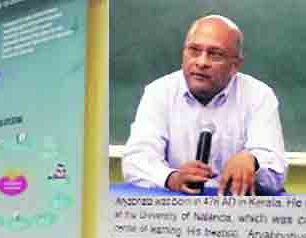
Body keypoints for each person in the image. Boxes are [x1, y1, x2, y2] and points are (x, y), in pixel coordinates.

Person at [122, 15, 287, 196]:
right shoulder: (159, 91)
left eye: (215, 54)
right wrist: (172, 178)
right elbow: (136, 160)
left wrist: (253, 161)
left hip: (236, 207)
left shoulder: (258, 95)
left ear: (235, 65)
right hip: (174, 206)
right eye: (194, 50)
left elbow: (276, 170)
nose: (201, 62)